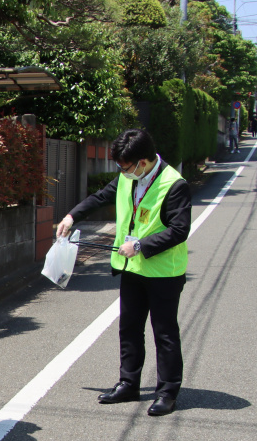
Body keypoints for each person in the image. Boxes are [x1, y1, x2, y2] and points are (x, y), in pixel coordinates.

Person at [56, 129, 192, 416]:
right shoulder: (128, 178)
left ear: (143, 162)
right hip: (132, 268)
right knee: (129, 328)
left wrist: (141, 245)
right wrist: (71, 216)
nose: (122, 171)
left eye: (125, 166)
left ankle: (167, 391)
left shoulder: (173, 184)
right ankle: (129, 384)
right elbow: (99, 197)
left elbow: (179, 230)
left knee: (165, 332)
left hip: (163, 272)